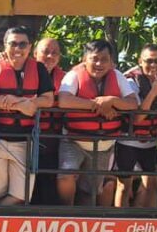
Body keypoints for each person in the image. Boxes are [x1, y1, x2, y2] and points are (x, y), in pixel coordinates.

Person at [57, 40, 138, 206]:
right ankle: (66, 212)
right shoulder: (74, 75)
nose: (99, 63)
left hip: (104, 145)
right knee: (65, 175)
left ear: (111, 61)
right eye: (95, 58)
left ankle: (85, 220)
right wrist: (98, 105)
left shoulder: (117, 76)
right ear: (85, 59)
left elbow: (132, 104)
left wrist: (112, 100)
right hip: (74, 140)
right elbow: (64, 100)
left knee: (90, 190)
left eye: (104, 59)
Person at [0, 27, 55, 205]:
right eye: (13, 43)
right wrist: (23, 104)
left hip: (25, 139)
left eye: (22, 44)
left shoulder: (38, 69)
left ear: (30, 47)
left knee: (21, 195)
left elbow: (48, 99)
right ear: (5, 46)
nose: (18, 48)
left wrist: (27, 103)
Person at [115, 44, 157, 208]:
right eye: (149, 61)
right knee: (124, 186)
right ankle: (120, 222)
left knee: (152, 183)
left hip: (150, 141)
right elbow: (138, 119)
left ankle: (142, 223)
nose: (153, 65)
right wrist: (153, 93)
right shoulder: (130, 80)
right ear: (140, 61)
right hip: (127, 141)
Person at [30, 38, 65, 205]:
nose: (50, 56)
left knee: (50, 186)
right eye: (45, 52)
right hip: (27, 138)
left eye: (55, 53)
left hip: (54, 140)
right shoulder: (23, 73)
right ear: (35, 53)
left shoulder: (67, 79)